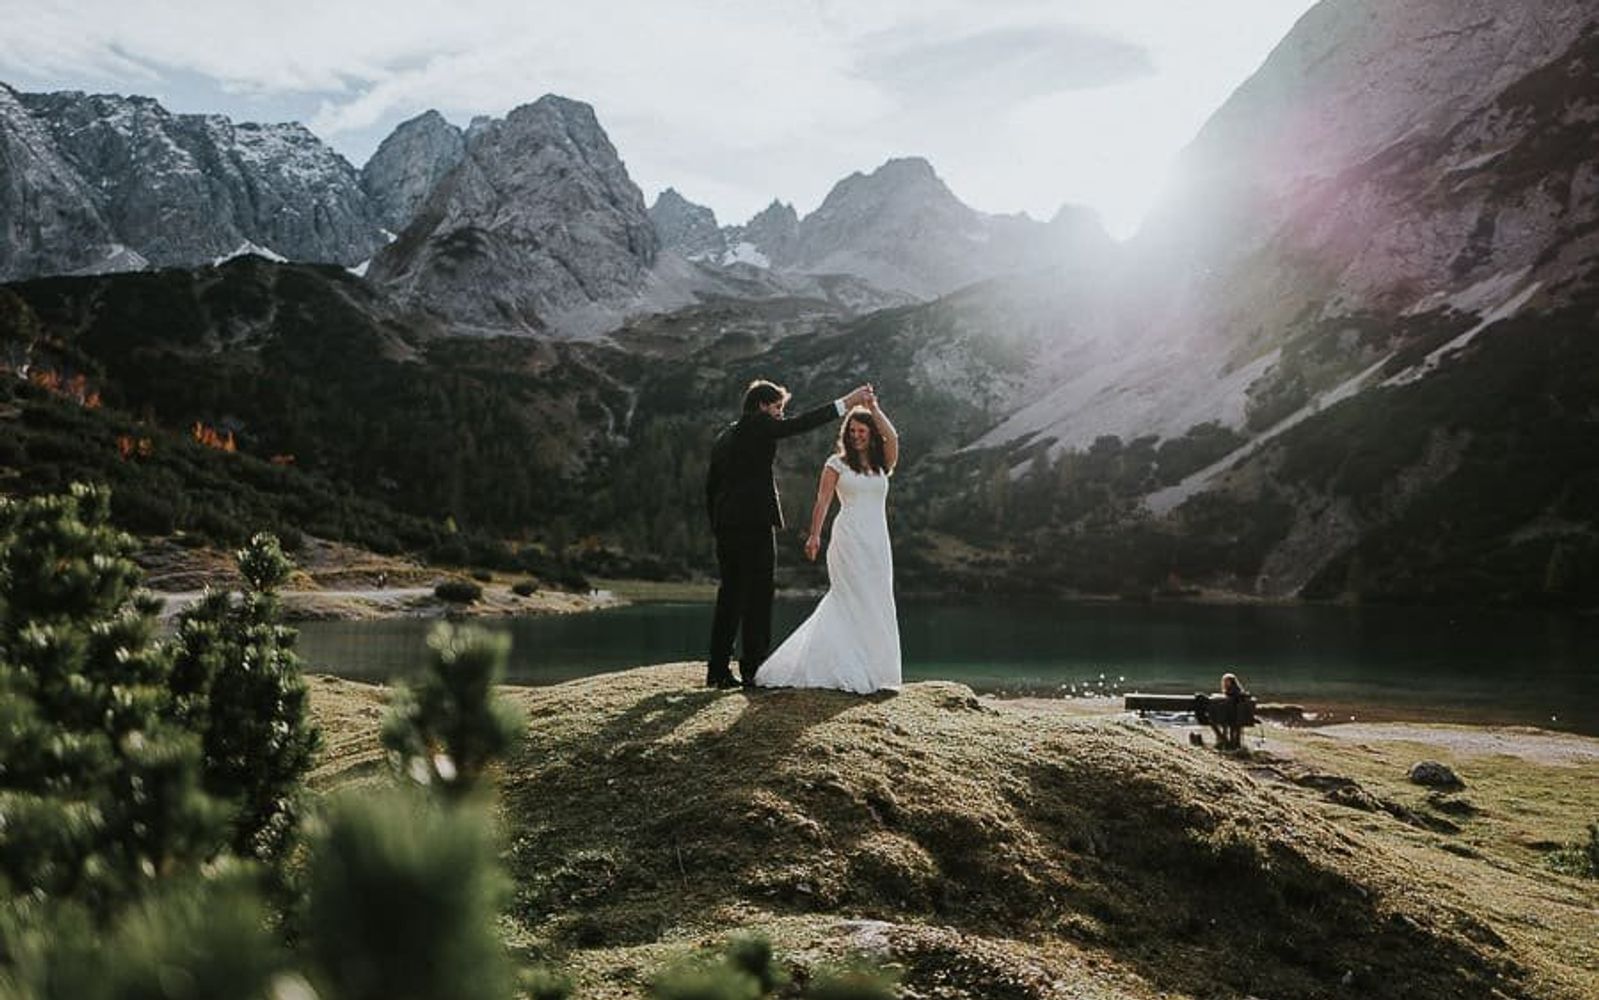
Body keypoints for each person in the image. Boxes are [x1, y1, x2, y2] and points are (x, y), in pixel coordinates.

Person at [705, 379, 871, 689]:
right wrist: (846, 403)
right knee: (758, 595)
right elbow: (801, 424)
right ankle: (754, 669)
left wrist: (717, 524)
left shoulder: (725, 435)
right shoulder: (757, 425)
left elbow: (711, 487)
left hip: (727, 527)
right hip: (752, 525)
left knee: (730, 596)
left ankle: (717, 670)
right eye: (778, 408)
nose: (781, 414)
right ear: (761, 406)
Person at [755, 390, 901, 694]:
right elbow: (822, 501)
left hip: (877, 543)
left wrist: (874, 408)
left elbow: (894, 438)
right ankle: (843, 667)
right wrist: (814, 535)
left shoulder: (882, 463)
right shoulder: (836, 463)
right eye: (852, 431)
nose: (857, 436)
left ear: (871, 433)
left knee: (876, 600)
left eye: (862, 431)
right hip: (848, 538)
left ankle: (875, 668)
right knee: (849, 597)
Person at [1210, 672, 1251, 750]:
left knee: (1213, 720)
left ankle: (1225, 742)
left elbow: (1228, 702)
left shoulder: (1232, 692)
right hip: (1238, 717)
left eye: (1226, 681)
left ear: (1231, 682)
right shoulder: (1238, 691)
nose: (1224, 683)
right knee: (1228, 725)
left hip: (1232, 717)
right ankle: (1229, 743)